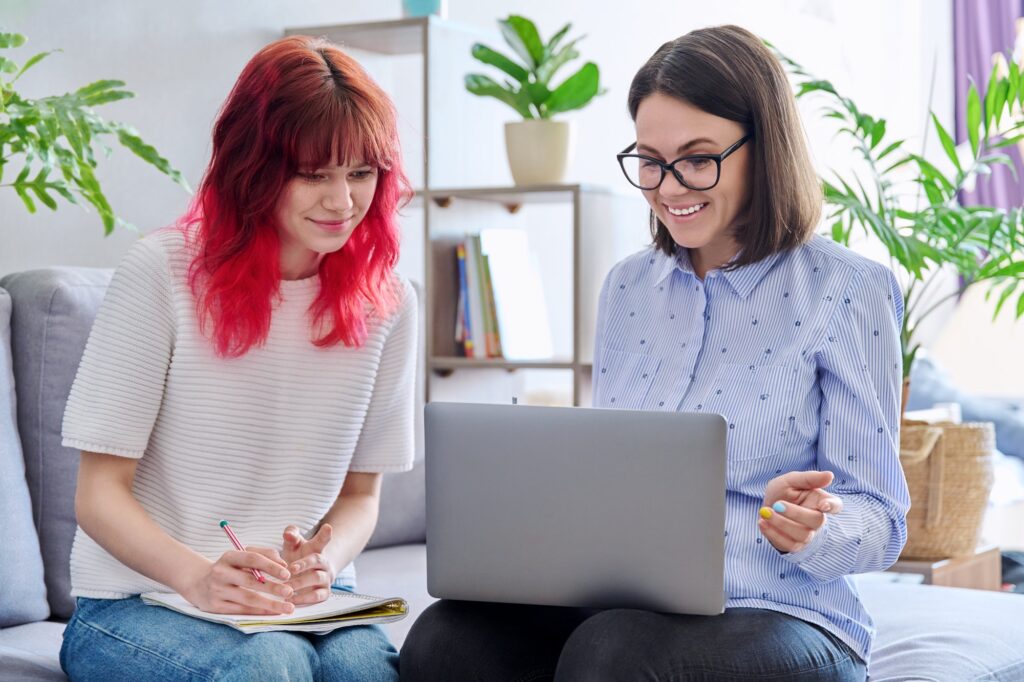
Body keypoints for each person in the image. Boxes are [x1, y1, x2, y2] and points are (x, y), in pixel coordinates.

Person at [400, 25, 908, 681]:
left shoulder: (849, 290)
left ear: (765, 149)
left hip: (786, 613)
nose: (669, 187)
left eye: (698, 158)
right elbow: (615, 480)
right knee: (446, 637)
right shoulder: (628, 287)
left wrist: (817, 526)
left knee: (613, 655)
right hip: (626, 607)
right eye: (649, 160)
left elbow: (884, 523)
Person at [59, 35, 416, 681]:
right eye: (314, 174)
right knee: (271, 664)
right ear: (253, 167)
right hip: (136, 604)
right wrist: (198, 579)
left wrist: (324, 563)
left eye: (361, 173)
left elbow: (362, 494)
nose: (342, 203)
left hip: (300, 606)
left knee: (365, 667)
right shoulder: (161, 272)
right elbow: (97, 494)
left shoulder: (389, 301)